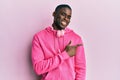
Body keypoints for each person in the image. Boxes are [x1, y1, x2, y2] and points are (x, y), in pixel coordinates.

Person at [31, 4, 86, 80]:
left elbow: (81, 69)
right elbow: (38, 68)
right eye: (63, 14)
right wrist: (65, 54)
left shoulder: (76, 39)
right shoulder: (39, 37)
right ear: (54, 14)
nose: (66, 19)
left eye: (69, 17)